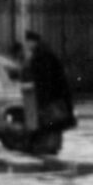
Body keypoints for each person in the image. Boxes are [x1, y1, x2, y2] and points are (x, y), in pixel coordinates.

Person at [20, 30, 74, 158]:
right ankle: (52, 146)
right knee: (54, 122)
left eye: (28, 42)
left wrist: (43, 97)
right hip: (55, 95)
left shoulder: (41, 56)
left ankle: (49, 147)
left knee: (51, 122)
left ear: (34, 42)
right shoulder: (43, 54)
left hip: (51, 97)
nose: (27, 45)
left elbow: (44, 79)